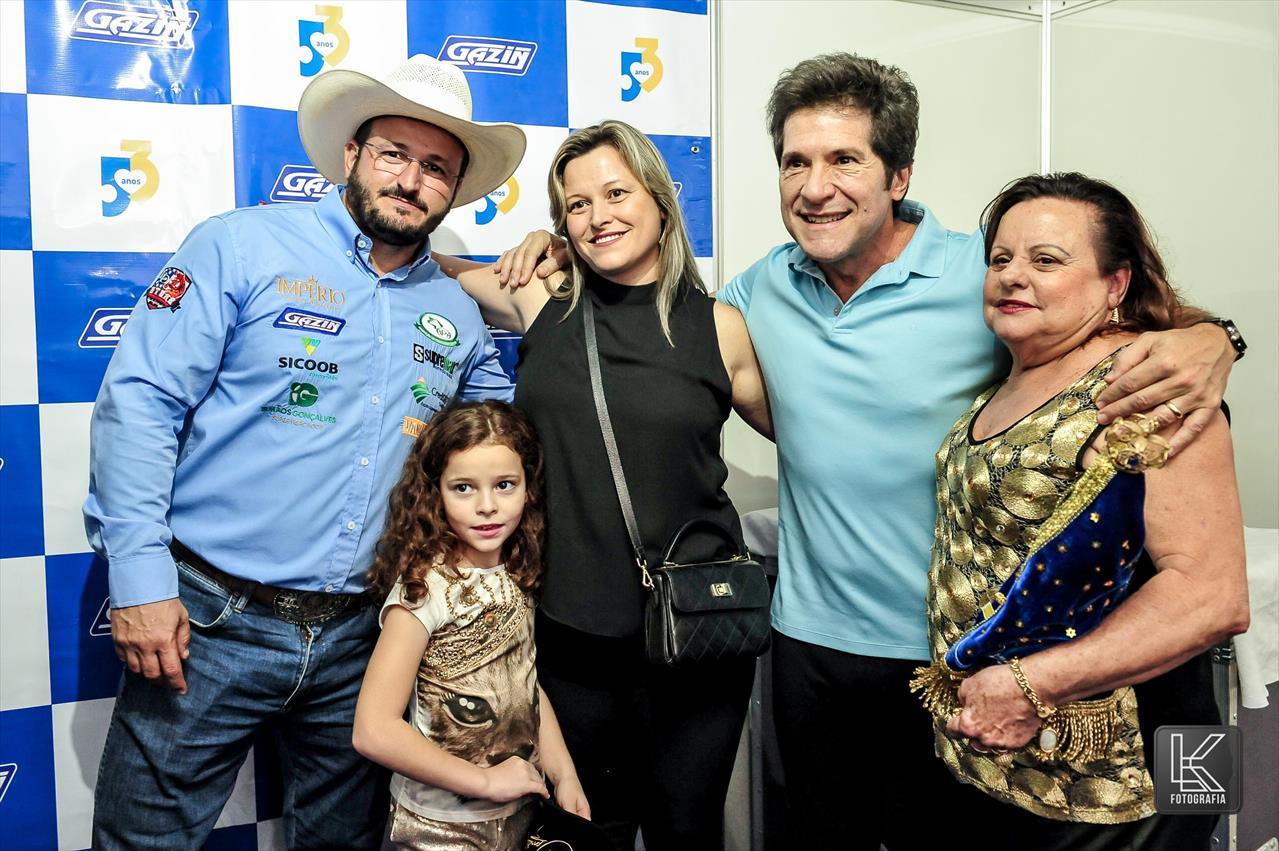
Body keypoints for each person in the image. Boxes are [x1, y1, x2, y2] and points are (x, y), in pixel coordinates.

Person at [489, 53, 1243, 849]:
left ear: (898, 174)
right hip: (812, 648)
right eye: (795, 162)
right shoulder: (754, 294)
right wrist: (554, 243)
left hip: (962, 657)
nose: (815, 187)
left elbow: (1129, 325)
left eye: (844, 159)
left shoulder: (985, 271)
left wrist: (1215, 339)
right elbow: (646, 322)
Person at [83, 55, 524, 849]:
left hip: (363, 637)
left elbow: (507, 434)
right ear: (351, 153)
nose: (411, 180)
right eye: (394, 153)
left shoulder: (455, 311)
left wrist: (535, 275)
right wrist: (140, 578)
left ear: (454, 189)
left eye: (435, 167)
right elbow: (141, 403)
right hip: (207, 620)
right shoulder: (240, 246)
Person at [436, 120, 770, 850]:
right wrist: (535, 249)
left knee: (687, 834)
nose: (598, 216)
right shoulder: (541, 299)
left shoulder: (720, 327)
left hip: (695, 637)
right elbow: (423, 266)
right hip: (572, 637)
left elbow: (809, 440)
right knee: (586, 831)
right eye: (577, 206)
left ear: (659, 200)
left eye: (616, 193)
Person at [914, 172, 1249, 848]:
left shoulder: (1147, 391)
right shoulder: (1014, 376)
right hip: (1013, 764)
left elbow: (1214, 599)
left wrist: (1029, 683)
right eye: (1001, 258)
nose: (1013, 275)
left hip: (1131, 774)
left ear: (1115, 284)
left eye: (1046, 260)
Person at [352, 400, 587, 851]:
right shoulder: (424, 590)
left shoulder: (516, 573)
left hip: (520, 814)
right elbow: (373, 729)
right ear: (433, 494)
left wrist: (564, 773)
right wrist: (485, 781)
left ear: (528, 488)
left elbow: (523, 684)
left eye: (504, 485)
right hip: (439, 828)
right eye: (463, 488)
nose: (487, 507)